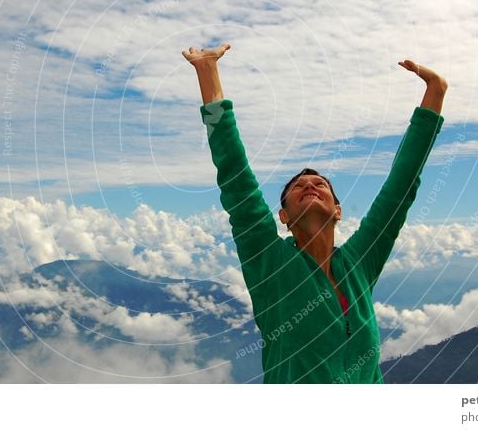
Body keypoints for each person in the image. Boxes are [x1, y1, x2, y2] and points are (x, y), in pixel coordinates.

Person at [182, 43, 447, 383]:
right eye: (298, 187)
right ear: (283, 217)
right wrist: (208, 71)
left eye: (320, 184)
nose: (309, 185)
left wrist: (435, 94)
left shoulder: (360, 263)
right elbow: (237, 180)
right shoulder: (270, 264)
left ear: (337, 211)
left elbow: (400, 187)